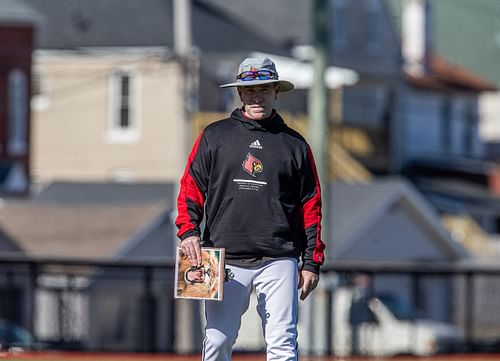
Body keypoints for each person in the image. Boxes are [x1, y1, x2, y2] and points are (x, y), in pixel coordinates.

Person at [175, 57, 326, 361]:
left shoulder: (295, 145)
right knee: (218, 340)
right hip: (222, 256)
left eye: (265, 89)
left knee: (283, 343)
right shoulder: (214, 136)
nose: (258, 96)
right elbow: (191, 187)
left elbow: (311, 205)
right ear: (240, 94)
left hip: (279, 257)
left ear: (276, 93)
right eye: (251, 89)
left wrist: (311, 261)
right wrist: (189, 231)